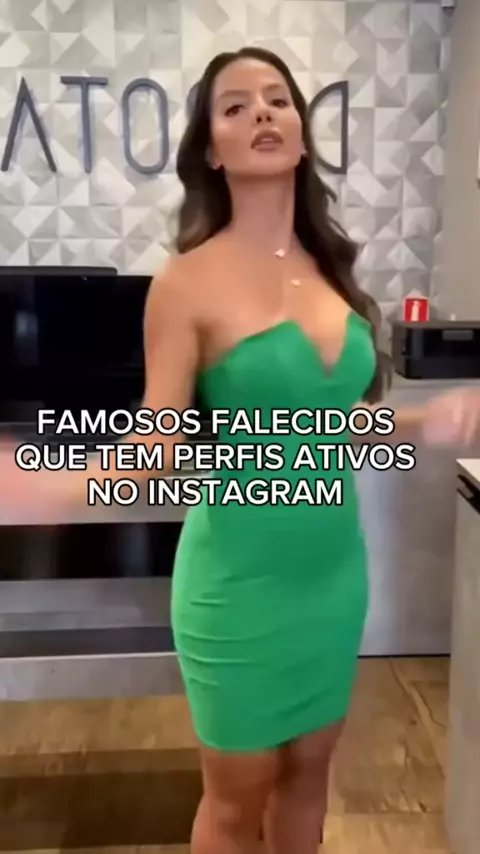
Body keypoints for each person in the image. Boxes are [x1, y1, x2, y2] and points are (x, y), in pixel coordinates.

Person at [1, 46, 480, 854]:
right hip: (236, 585)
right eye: (235, 106)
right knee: (235, 799)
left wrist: (425, 421)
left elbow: (332, 424)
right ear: (212, 152)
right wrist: (42, 484)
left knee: (310, 776)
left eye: (277, 99)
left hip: (332, 577)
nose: (262, 112)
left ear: (300, 132)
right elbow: (154, 447)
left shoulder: (333, 272)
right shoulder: (185, 283)